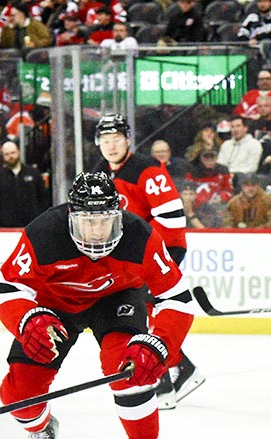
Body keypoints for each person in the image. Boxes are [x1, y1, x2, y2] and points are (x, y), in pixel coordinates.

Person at [0, 172, 195, 439]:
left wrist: (160, 343)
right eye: (89, 221)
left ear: (119, 215)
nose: (98, 230)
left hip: (117, 300)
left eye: (105, 221)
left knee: (129, 371)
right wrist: (27, 320)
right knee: (20, 390)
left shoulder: (139, 235)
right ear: (72, 217)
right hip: (53, 305)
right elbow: (8, 287)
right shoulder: (44, 232)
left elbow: (178, 297)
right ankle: (41, 429)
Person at [92, 114, 203, 409]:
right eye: (105, 141)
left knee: (144, 313)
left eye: (116, 139)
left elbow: (172, 219)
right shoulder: (100, 173)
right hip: (128, 258)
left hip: (160, 252)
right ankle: (185, 370)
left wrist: (160, 260)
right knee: (133, 312)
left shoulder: (148, 171)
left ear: (128, 139)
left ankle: (162, 383)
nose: (111, 146)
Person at [0, 141, 49, 228]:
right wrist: (3, 219)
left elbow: (43, 197)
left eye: (13, 153)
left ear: (18, 152)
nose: (10, 156)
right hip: (7, 228)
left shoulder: (33, 173)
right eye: (7, 154)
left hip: (32, 226)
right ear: (3, 156)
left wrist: (38, 217)